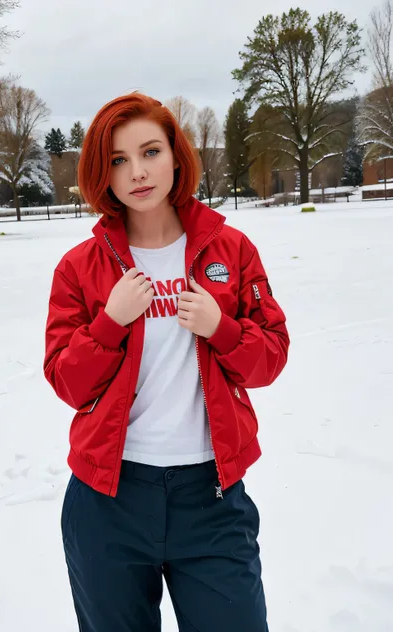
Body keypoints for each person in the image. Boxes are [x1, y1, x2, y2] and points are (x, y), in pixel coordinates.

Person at [43, 92, 290, 632]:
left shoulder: (232, 250)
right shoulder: (79, 268)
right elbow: (66, 380)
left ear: (176, 156)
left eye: (150, 151)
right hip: (109, 501)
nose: (137, 171)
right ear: (101, 173)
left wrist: (222, 330)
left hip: (212, 497)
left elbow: (270, 360)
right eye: (117, 159)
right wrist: (108, 324)